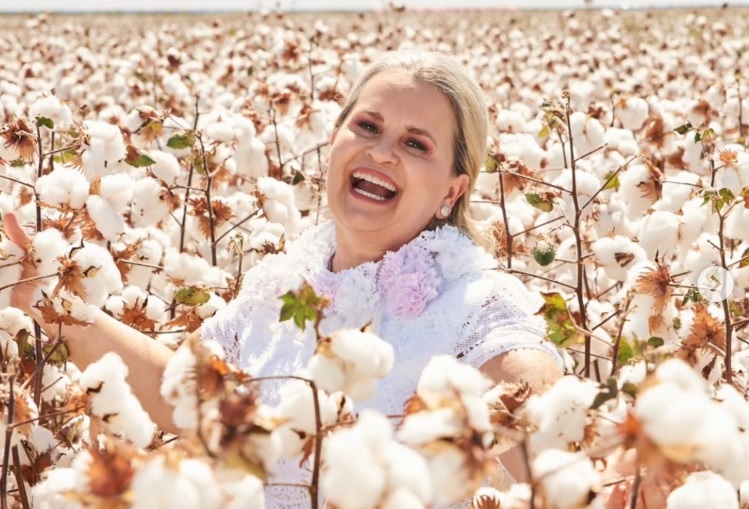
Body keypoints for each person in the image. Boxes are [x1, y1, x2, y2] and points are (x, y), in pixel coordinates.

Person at [4, 51, 586, 507]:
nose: (382, 152)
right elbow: (185, 393)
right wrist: (55, 304)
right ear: (335, 140)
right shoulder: (277, 288)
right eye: (368, 126)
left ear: (452, 191)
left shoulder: (473, 298)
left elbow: (543, 418)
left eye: (415, 144)